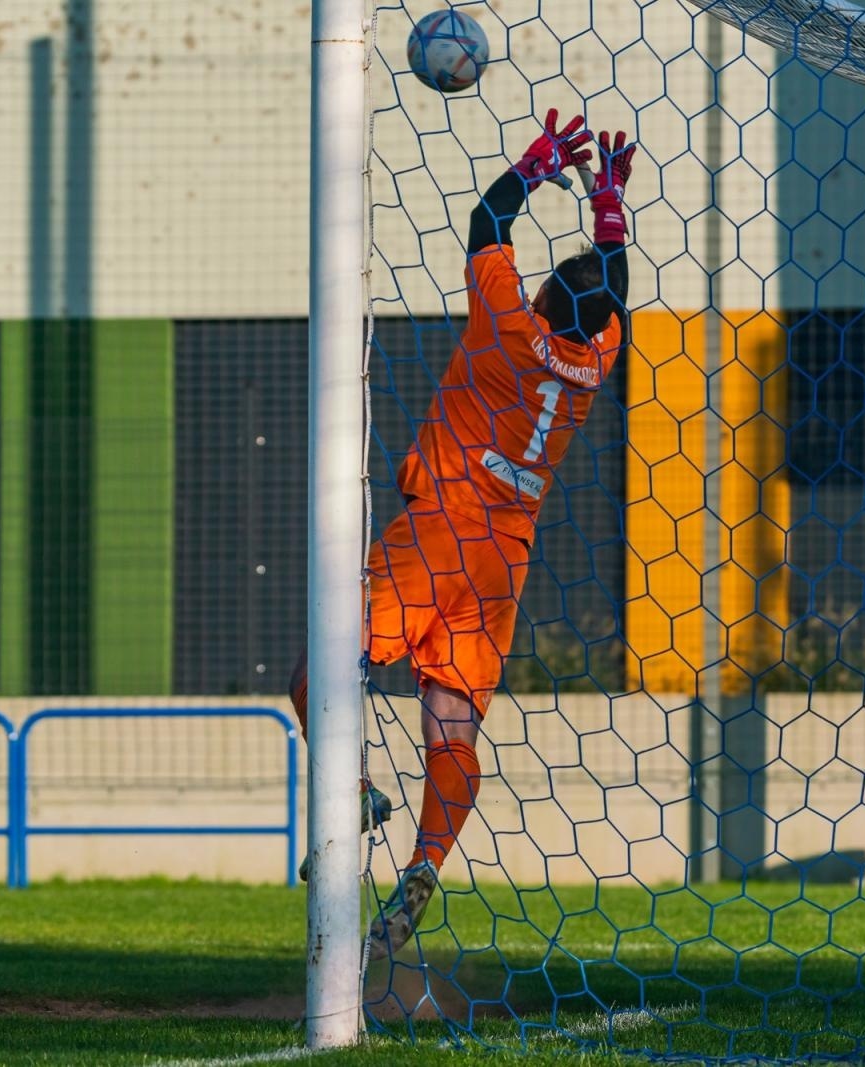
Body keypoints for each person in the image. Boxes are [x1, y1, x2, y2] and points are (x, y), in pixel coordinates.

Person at [292, 110, 636, 959]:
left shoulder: (507, 329)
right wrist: (608, 210)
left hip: (439, 530)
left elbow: (486, 224)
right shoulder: (596, 360)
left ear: (545, 299)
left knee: (318, 672)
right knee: (450, 730)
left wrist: (535, 165)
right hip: (501, 566)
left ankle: (355, 794)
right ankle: (425, 862)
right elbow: (610, 294)